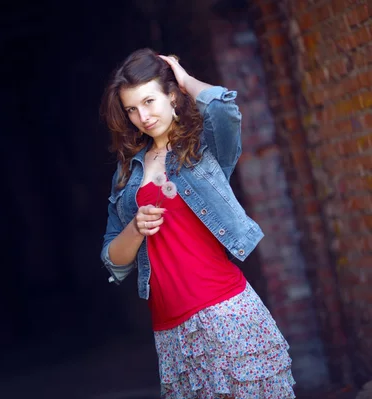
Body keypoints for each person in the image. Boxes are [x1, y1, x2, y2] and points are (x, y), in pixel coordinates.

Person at [99, 48, 296, 399]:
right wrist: (136, 228)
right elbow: (114, 259)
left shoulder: (203, 146)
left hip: (226, 312)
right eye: (132, 109)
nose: (142, 116)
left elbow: (222, 106)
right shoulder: (128, 172)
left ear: (172, 95)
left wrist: (183, 77)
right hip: (170, 330)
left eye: (149, 101)